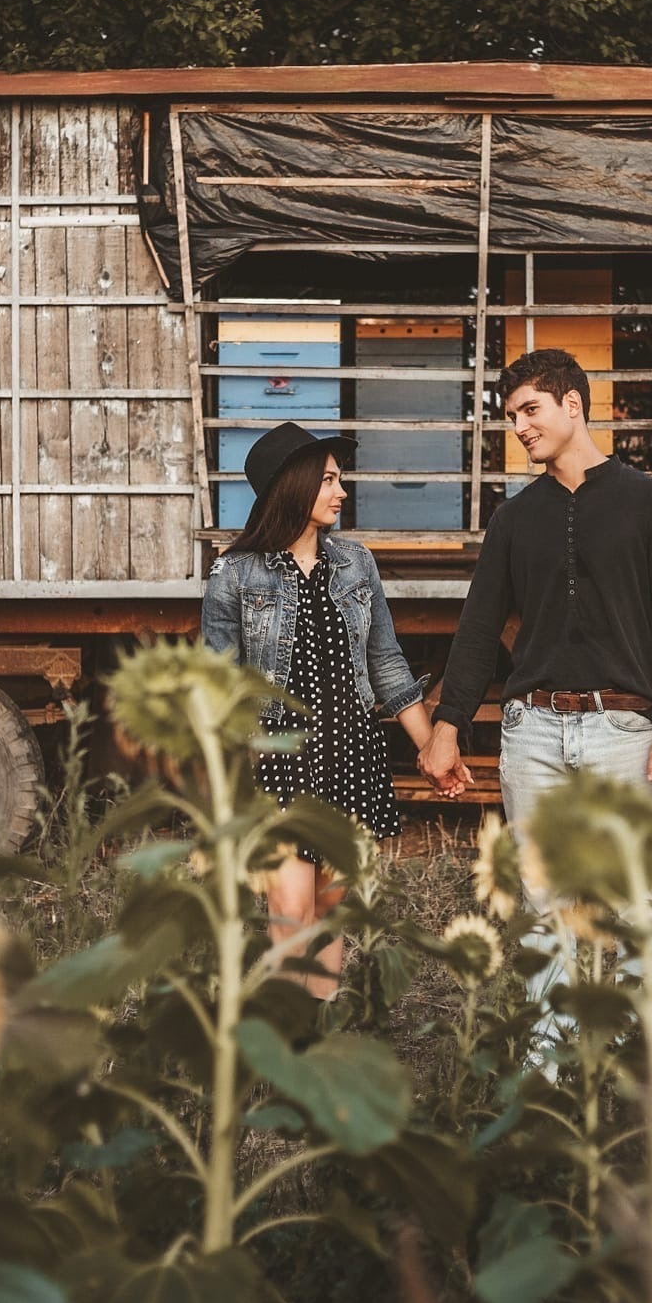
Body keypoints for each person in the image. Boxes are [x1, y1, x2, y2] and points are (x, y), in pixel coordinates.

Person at [418, 348, 652, 1025]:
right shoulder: (515, 520)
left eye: (530, 410)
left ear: (572, 405)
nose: (518, 427)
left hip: (624, 731)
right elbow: (480, 627)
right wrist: (447, 725)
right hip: (534, 732)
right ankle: (553, 1061)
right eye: (510, 416)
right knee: (544, 901)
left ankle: (644, 1057)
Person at [202, 420, 470, 999]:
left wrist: (431, 748)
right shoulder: (235, 574)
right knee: (291, 914)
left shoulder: (356, 564)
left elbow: (388, 667)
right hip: (278, 760)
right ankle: (286, 1053)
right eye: (328, 480)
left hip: (351, 753)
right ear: (292, 486)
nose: (341, 491)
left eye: (339, 479)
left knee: (327, 913)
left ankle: (314, 1048)